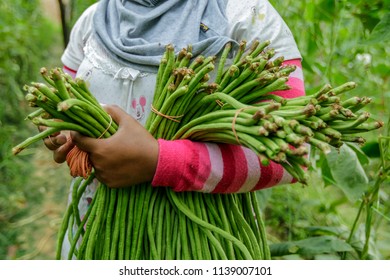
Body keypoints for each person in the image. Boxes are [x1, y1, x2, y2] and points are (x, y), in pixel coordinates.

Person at [43, 0, 305, 257]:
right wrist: (65, 132)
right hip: (92, 234)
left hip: (200, 247)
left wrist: (161, 161)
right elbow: (66, 98)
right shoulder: (95, 19)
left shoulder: (248, 17)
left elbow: (292, 154)